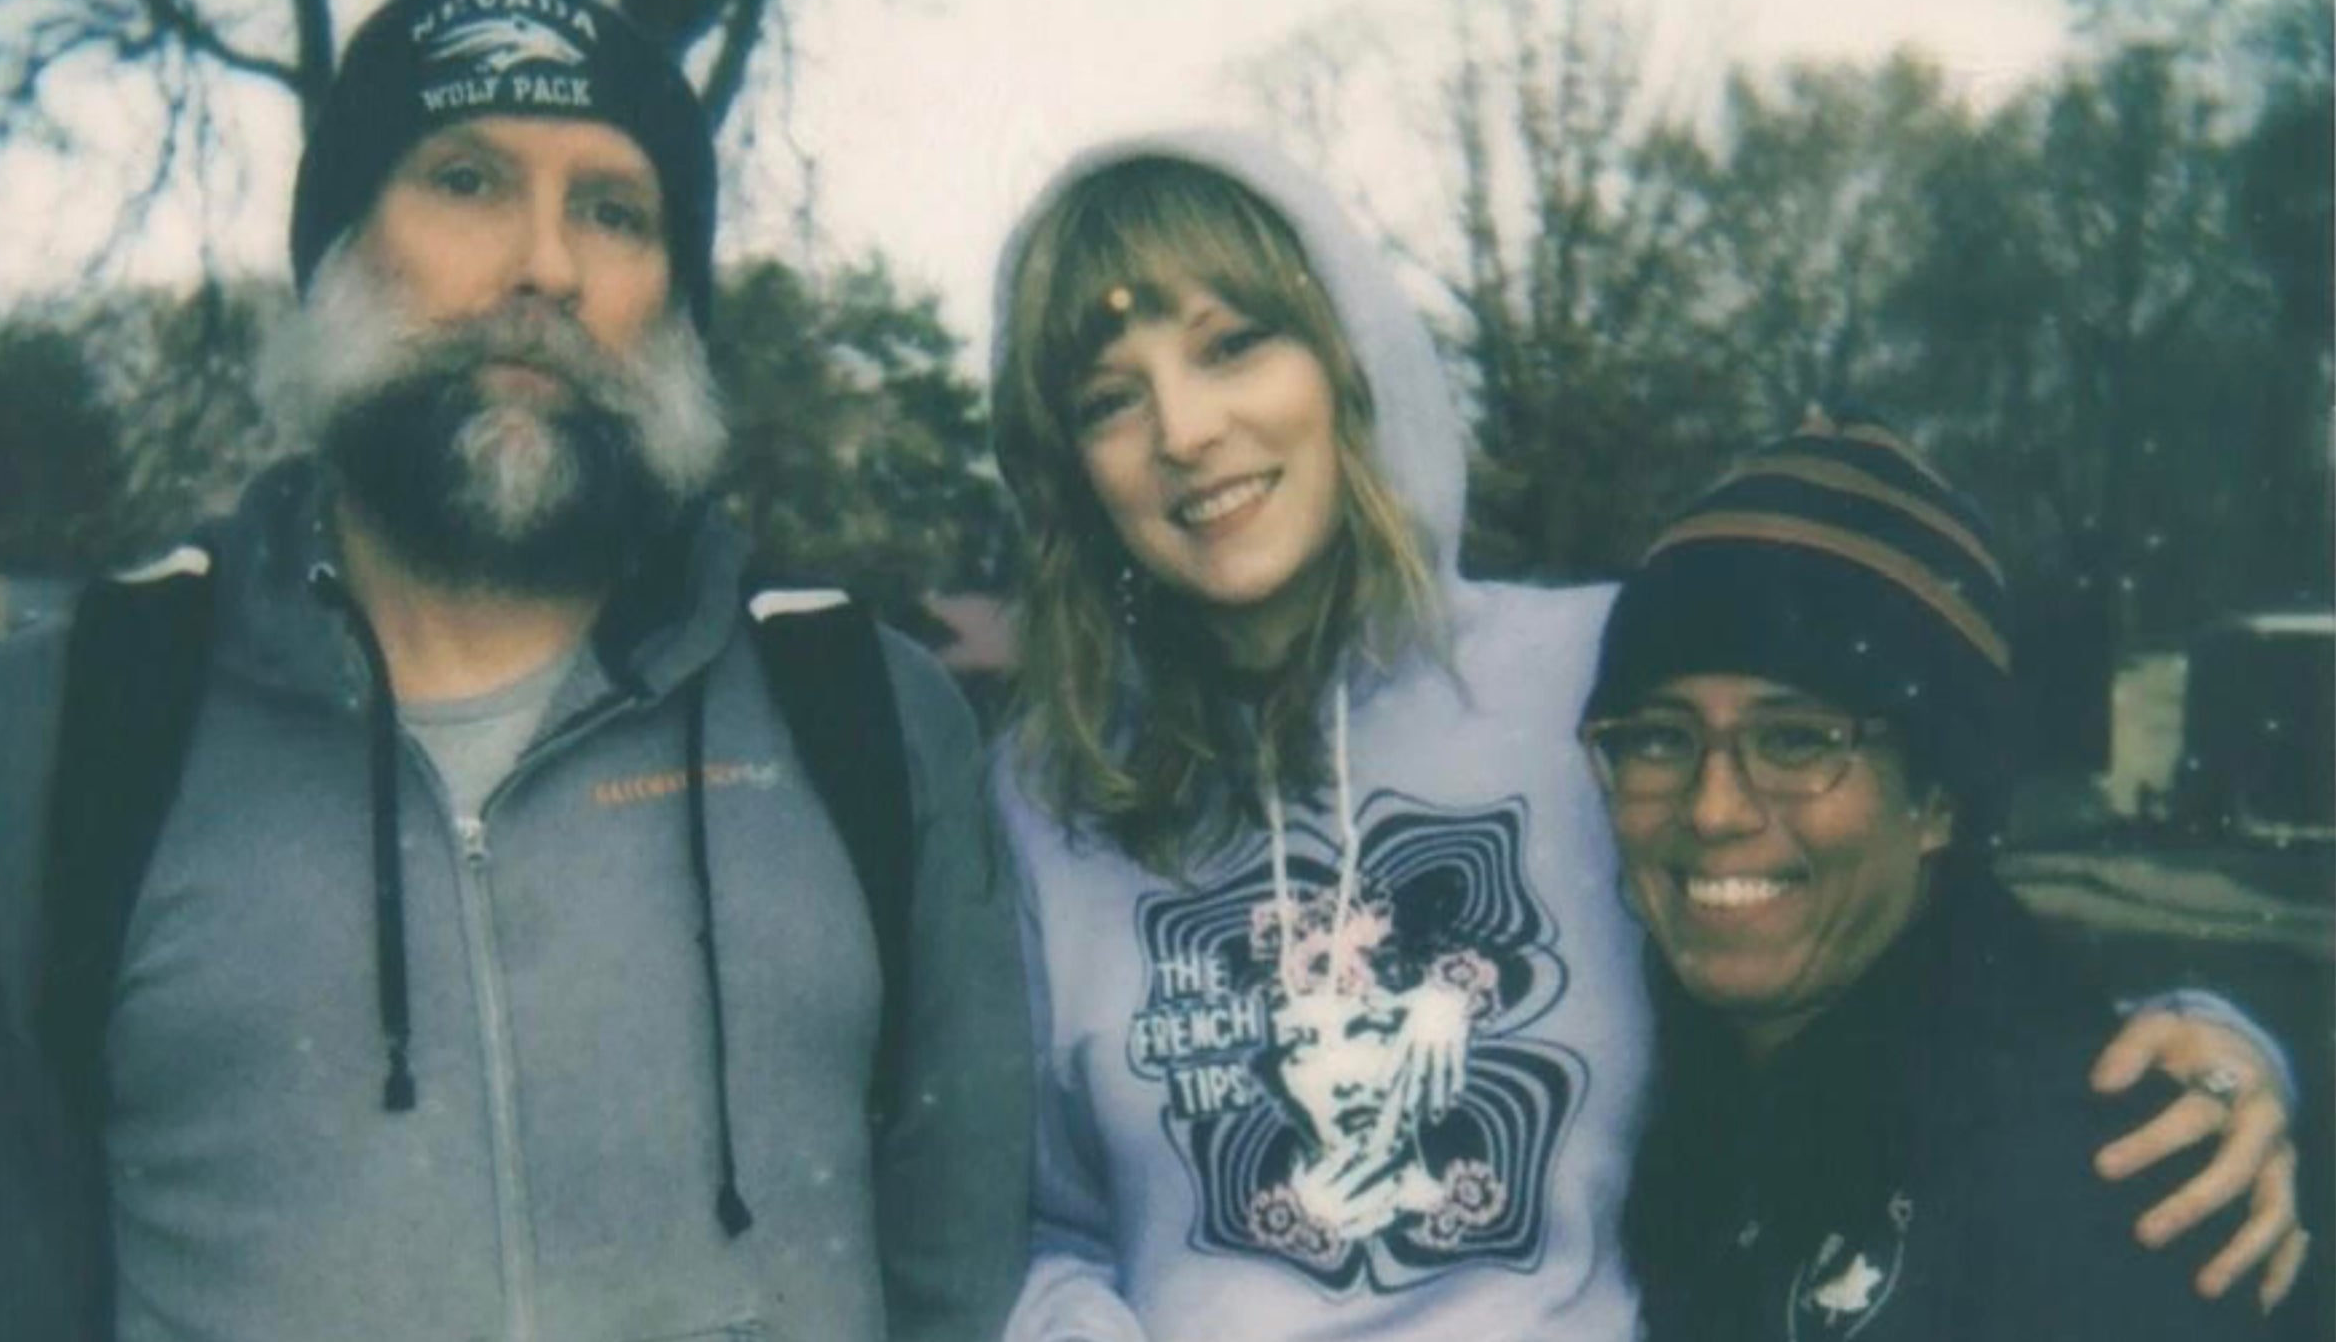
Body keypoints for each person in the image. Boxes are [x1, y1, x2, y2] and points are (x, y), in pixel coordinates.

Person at [983, 129, 2305, 1340]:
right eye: (1108, 398)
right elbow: (1037, 1223)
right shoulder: (1044, 790)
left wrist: (2202, 1049)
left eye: (1231, 346)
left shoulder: (1595, 676)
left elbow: (1892, 932)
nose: (1184, 430)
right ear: (1065, 467)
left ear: (1344, 359)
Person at [0, 0, 1028, 1340]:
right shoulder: (59, 734)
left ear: (675, 300)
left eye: (613, 210)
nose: (546, 265)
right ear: (332, 250)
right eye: (466, 180)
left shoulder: (865, 715)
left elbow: (971, 1282)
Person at [1582, 418, 2305, 1338]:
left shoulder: (2117, 1179)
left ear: (1938, 801)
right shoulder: (1643, 1097)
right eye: (1658, 738)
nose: (1714, 808)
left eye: (1797, 739)